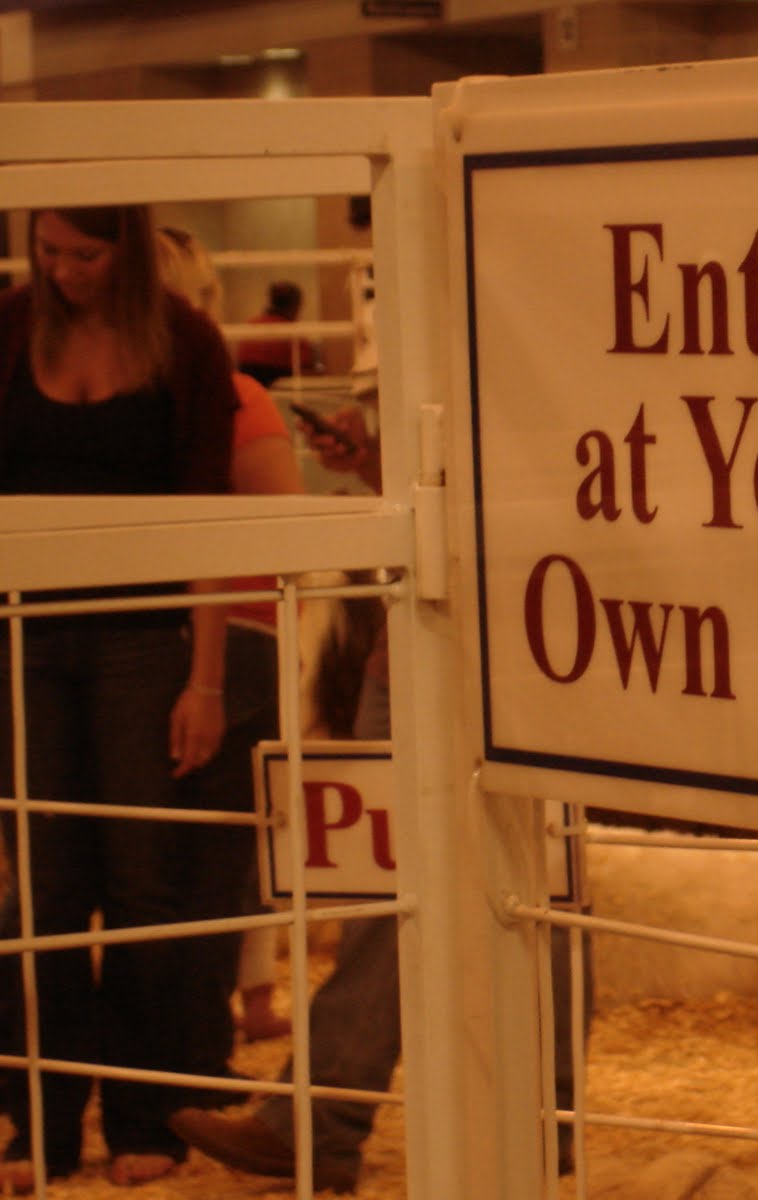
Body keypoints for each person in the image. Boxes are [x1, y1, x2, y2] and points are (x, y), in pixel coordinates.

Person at [169, 409, 585, 1192]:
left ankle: (349, 1125)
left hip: (514, 647)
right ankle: (526, 1126)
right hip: (426, 649)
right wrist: (374, 465)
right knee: (415, 896)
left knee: (523, 893)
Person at [0, 206, 237, 1190]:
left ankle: (145, 1116)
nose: (63, 272)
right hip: (21, 633)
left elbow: (207, 512)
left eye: (85, 255)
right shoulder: (11, 326)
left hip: (145, 635)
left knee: (145, 885)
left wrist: (206, 675)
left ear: (128, 251)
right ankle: (39, 1124)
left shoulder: (186, 339)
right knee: (45, 893)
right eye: (48, 252)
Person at [156, 225, 303, 1098]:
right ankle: (188, 1058)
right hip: (228, 638)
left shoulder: (231, 394)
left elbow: (280, 524)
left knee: (194, 868)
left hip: (219, 641)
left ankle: (184, 1060)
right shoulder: (234, 394)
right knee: (206, 864)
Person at [235, 280, 320, 388]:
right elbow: (308, 372)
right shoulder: (293, 335)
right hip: (282, 394)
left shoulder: (251, 326)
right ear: (295, 306)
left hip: (248, 389)